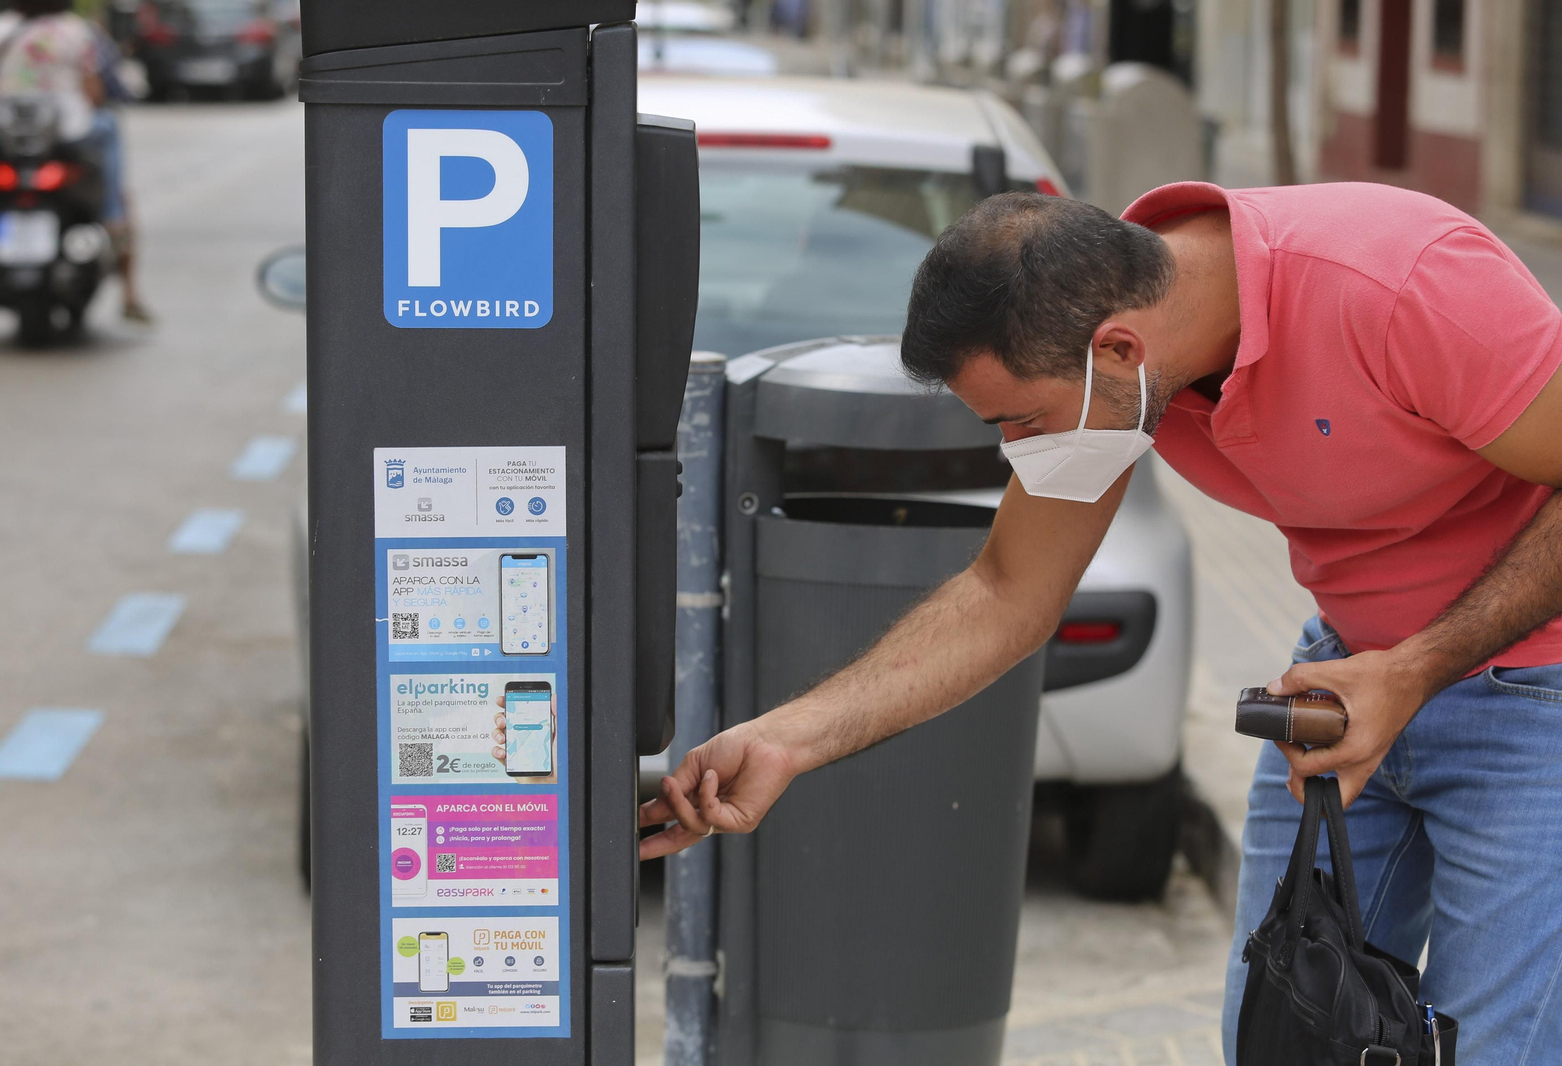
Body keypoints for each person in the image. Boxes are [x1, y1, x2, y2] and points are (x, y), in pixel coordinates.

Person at [638, 181, 1562, 1064]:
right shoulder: (1112, 349)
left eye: (1024, 419)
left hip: (1532, 697)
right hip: (1347, 689)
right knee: (1286, 1034)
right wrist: (787, 739)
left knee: (1493, 1050)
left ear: (1119, 350)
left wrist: (1416, 671)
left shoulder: (1403, 289)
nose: (1018, 450)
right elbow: (1008, 591)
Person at [0, 0, 151, 321]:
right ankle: (118, 237)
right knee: (108, 128)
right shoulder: (77, 31)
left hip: (3, 138)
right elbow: (95, 93)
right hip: (68, 136)